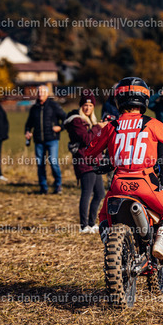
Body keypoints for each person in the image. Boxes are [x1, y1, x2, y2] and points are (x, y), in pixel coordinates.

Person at [84, 77, 163, 266]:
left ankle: (110, 246)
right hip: (146, 183)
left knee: (103, 217)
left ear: (118, 100)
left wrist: (102, 161)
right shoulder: (151, 123)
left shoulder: (112, 126)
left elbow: (89, 151)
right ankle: (161, 241)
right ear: (144, 99)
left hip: (118, 184)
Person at [64, 89, 107, 233]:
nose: (87, 108)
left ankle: (91, 223)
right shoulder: (76, 121)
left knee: (100, 193)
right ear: (81, 106)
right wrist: (97, 127)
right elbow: (87, 139)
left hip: (94, 162)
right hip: (84, 161)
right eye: (85, 105)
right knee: (87, 193)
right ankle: (83, 226)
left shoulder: (91, 122)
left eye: (90, 106)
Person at [25, 85, 67, 194]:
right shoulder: (34, 108)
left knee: (53, 162)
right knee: (40, 164)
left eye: (43, 92)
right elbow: (28, 124)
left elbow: (66, 119)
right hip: (38, 141)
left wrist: (60, 127)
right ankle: (43, 187)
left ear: (47, 94)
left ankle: (58, 185)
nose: (40, 94)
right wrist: (28, 131)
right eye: (39, 92)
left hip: (52, 139)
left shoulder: (54, 106)